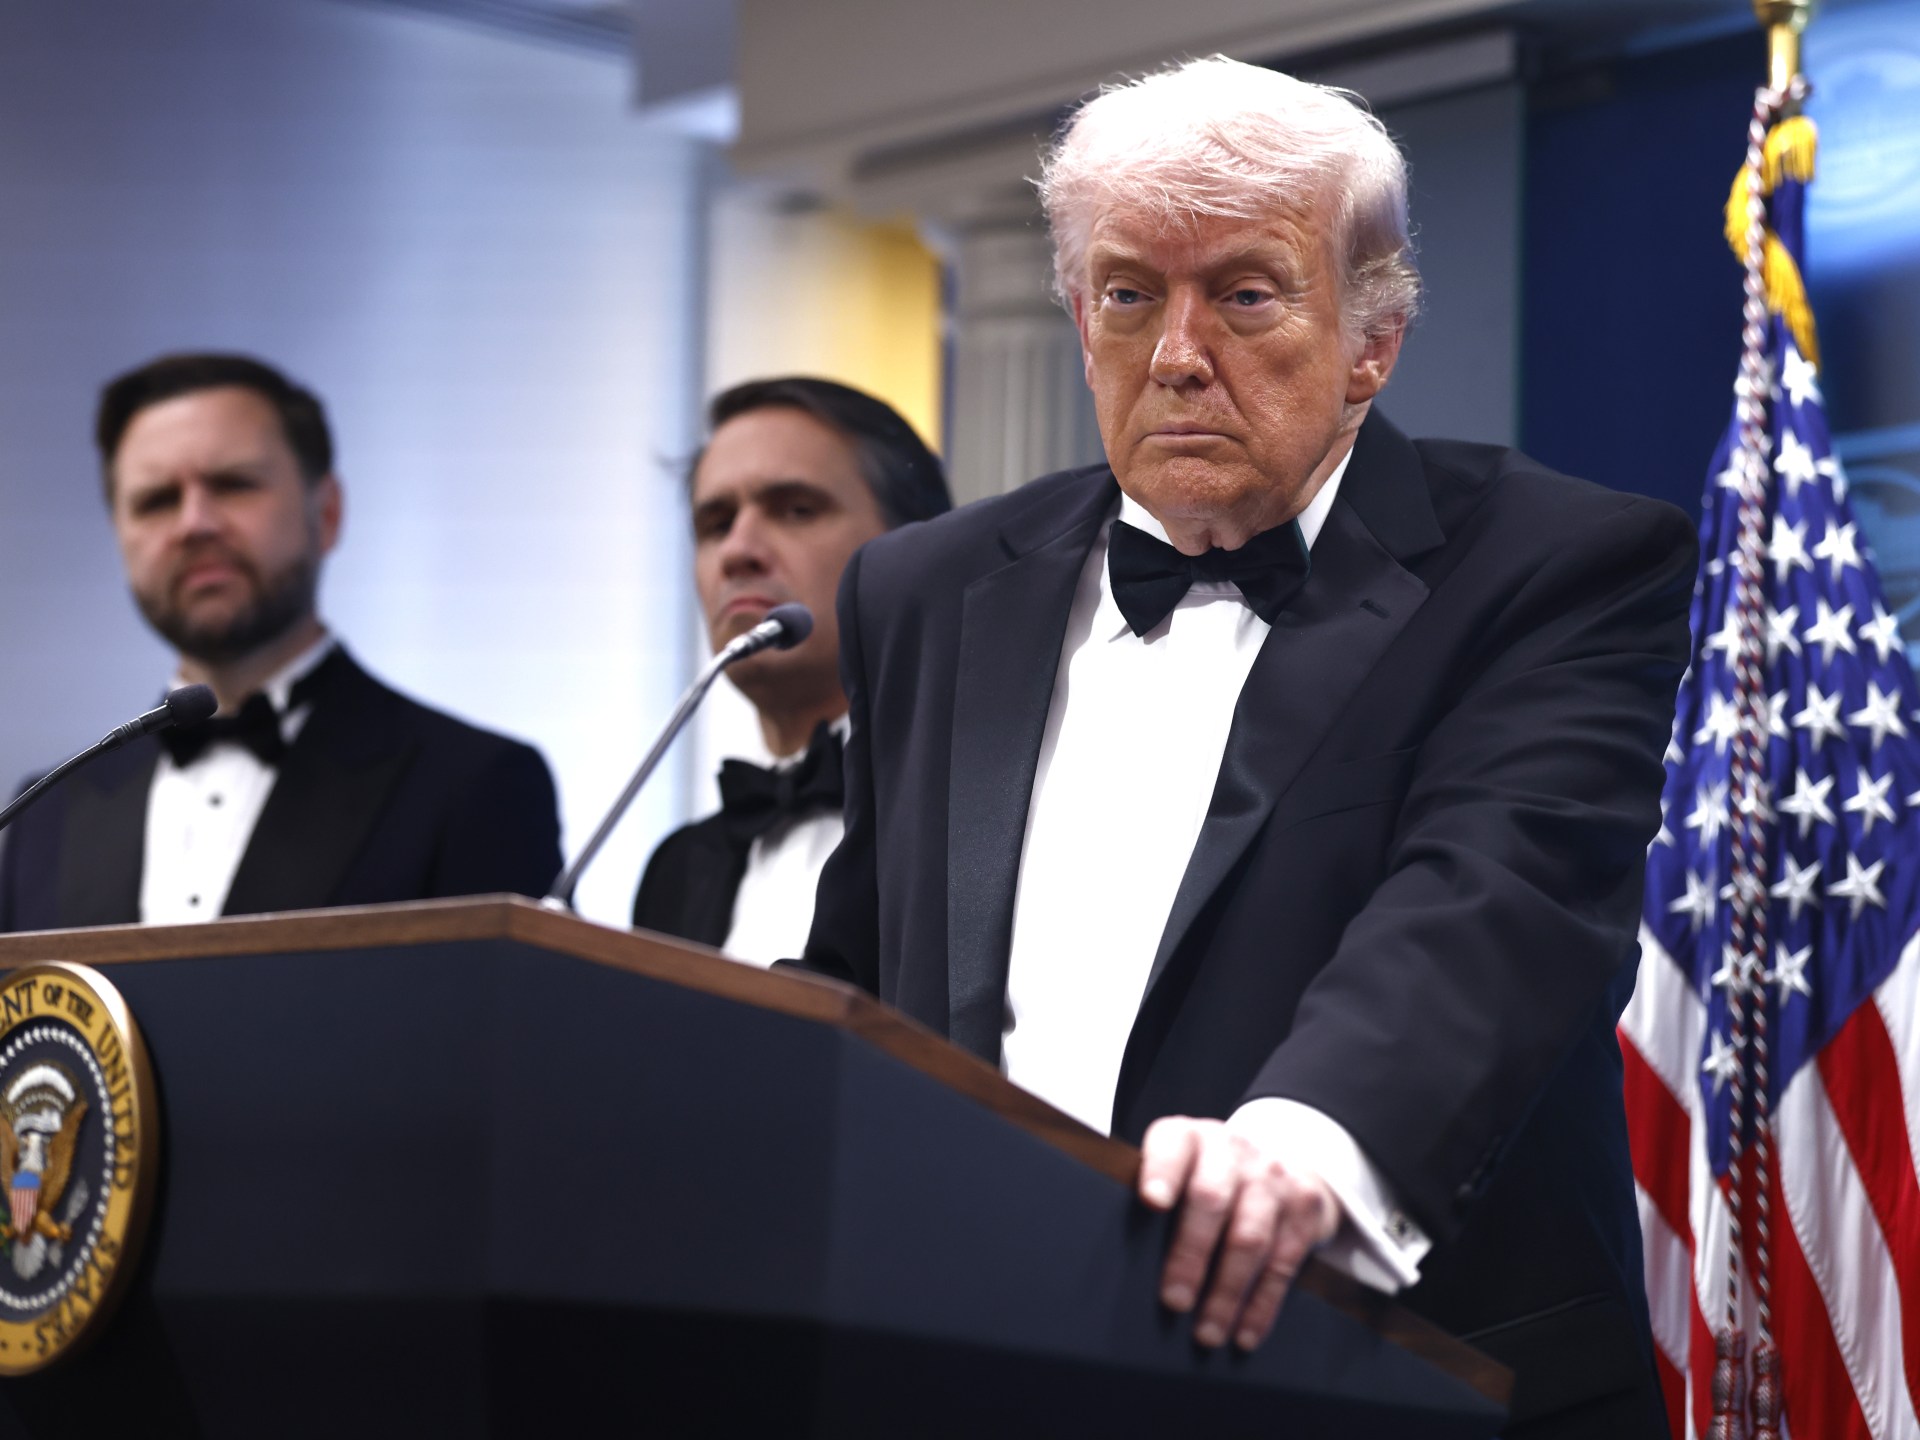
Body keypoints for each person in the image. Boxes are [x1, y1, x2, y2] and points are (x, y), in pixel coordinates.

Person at [794, 58, 1693, 1438]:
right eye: (1128, 293)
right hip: (984, 1372)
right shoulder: (924, 587)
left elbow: (1494, 903)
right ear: (1079, 318)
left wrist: (1304, 1152)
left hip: (1397, 1377)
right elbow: (862, 975)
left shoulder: (1556, 564)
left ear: (1372, 339)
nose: (1175, 353)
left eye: (1246, 294)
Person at [0, 352, 563, 932]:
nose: (194, 523)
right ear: (120, 537)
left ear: (328, 513)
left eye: (233, 484)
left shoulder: (476, 784)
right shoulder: (43, 814)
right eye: (157, 500)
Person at [632, 377, 951, 964]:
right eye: (716, 524)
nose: (738, 551)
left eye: (797, 510)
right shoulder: (676, 871)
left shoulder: (985, 822)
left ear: (917, 550)